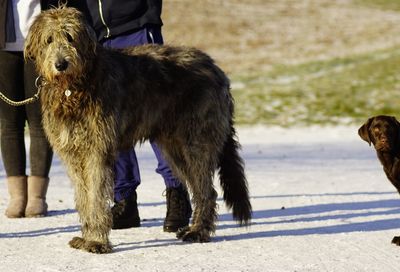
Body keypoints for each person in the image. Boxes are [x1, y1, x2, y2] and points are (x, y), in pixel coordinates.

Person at [69, 0, 192, 232]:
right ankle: (124, 199)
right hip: (94, 35)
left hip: (137, 27)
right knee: (109, 122)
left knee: (159, 117)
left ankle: (177, 192)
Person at [0, 0, 53, 218]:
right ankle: (17, 196)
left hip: (41, 45)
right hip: (3, 45)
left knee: (40, 121)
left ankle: (37, 196)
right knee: (9, 123)